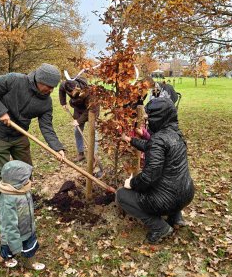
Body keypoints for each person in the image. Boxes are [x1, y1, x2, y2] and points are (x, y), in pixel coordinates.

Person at [0, 63, 65, 203]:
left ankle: (25, 201)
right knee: (2, 174)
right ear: (39, 80)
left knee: (26, 170)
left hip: (19, 135)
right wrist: (1, 111)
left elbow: (47, 127)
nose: (51, 90)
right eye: (49, 86)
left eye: (53, 87)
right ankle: (4, 209)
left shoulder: (46, 103)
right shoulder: (15, 80)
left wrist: (57, 147)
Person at [117, 97, 195, 244]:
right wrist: (131, 140)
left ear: (159, 117)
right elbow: (153, 146)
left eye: (149, 116)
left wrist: (131, 184)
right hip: (186, 193)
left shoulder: (158, 140)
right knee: (170, 184)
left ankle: (160, 228)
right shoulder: (175, 134)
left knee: (122, 195)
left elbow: (148, 177)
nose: (147, 120)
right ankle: (176, 217)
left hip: (167, 199)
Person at [0, 160, 45, 270]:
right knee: (9, 248)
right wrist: (15, 244)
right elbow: (9, 224)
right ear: (16, 181)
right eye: (25, 178)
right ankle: (8, 258)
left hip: (27, 227)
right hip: (14, 233)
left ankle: (30, 263)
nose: (28, 180)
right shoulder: (8, 200)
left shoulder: (22, 189)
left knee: (30, 246)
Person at [59, 77, 99, 162]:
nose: (72, 94)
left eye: (74, 92)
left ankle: (93, 157)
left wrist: (78, 121)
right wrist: (63, 102)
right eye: (71, 93)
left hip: (92, 109)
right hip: (78, 108)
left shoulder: (89, 91)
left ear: (77, 87)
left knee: (93, 131)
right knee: (77, 131)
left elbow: (91, 109)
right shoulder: (65, 85)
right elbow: (61, 89)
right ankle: (81, 154)